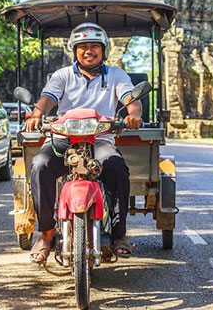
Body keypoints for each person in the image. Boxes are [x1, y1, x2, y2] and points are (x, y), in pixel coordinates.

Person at [24, 23, 143, 263]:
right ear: (74, 51)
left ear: (104, 50)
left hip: (100, 139)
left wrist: (134, 114)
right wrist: (37, 114)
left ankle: (119, 233)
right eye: (83, 47)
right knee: (40, 166)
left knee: (117, 167)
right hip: (64, 140)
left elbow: (131, 99)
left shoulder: (116, 75)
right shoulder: (62, 76)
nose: (89, 51)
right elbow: (48, 98)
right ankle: (46, 234)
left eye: (94, 47)